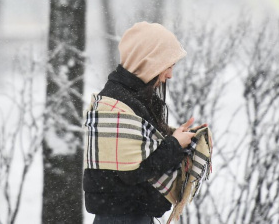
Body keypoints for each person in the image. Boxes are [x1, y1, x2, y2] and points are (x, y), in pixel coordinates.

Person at [83, 22, 198, 224]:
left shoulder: (132, 98)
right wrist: (174, 145)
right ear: (149, 61)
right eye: (168, 65)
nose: (170, 74)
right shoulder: (116, 105)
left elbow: (139, 155)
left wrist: (174, 137)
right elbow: (133, 171)